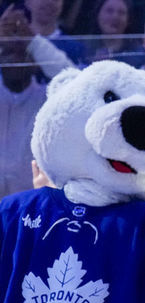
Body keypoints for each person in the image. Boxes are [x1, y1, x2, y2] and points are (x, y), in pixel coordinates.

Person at [0, 3, 73, 198]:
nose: (15, 62)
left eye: (22, 56)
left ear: (35, 63)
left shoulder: (47, 99)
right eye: (8, 55)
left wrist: (33, 40)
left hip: (29, 204)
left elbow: (75, 80)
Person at [85, 0, 145, 67]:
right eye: (109, 11)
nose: (115, 17)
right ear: (97, 14)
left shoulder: (138, 54)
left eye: (121, 12)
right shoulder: (85, 49)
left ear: (128, 19)